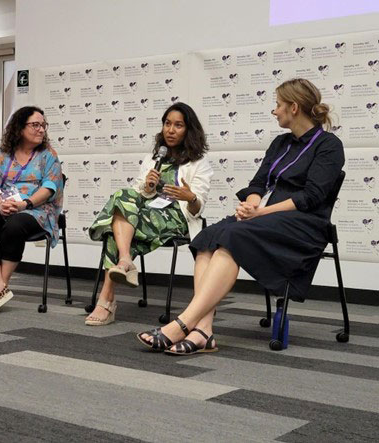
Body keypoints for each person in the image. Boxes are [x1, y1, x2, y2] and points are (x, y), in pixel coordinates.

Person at [137, 78, 345, 354]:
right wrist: (251, 205)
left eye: (278, 105)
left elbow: (311, 197)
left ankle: (183, 324)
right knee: (206, 237)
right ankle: (204, 331)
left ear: (294, 108)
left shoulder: (329, 145)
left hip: (305, 224)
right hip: (268, 218)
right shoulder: (280, 143)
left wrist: (261, 212)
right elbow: (259, 184)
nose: (274, 111)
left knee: (232, 236)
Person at [86, 102, 213, 326]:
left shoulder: (198, 163)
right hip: (147, 212)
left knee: (115, 232)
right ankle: (125, 260)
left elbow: (197, 208)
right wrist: (147, 187)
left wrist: (189, 196)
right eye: (167, 124)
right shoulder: (154, 158)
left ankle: (106, 301)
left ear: (188, 130)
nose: (170, 130)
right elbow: (135, 196)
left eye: (178, 125)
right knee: (121, 196)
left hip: (176, 216)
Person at [0, 106, 63, 315]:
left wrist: (25, 204)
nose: (41, 130)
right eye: (35, 125)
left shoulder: (48, 155)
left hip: (36, 210)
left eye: (43, 125)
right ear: (20, 128)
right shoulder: (2, 154)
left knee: (15, 225)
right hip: (3, 206)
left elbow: (50, 187)